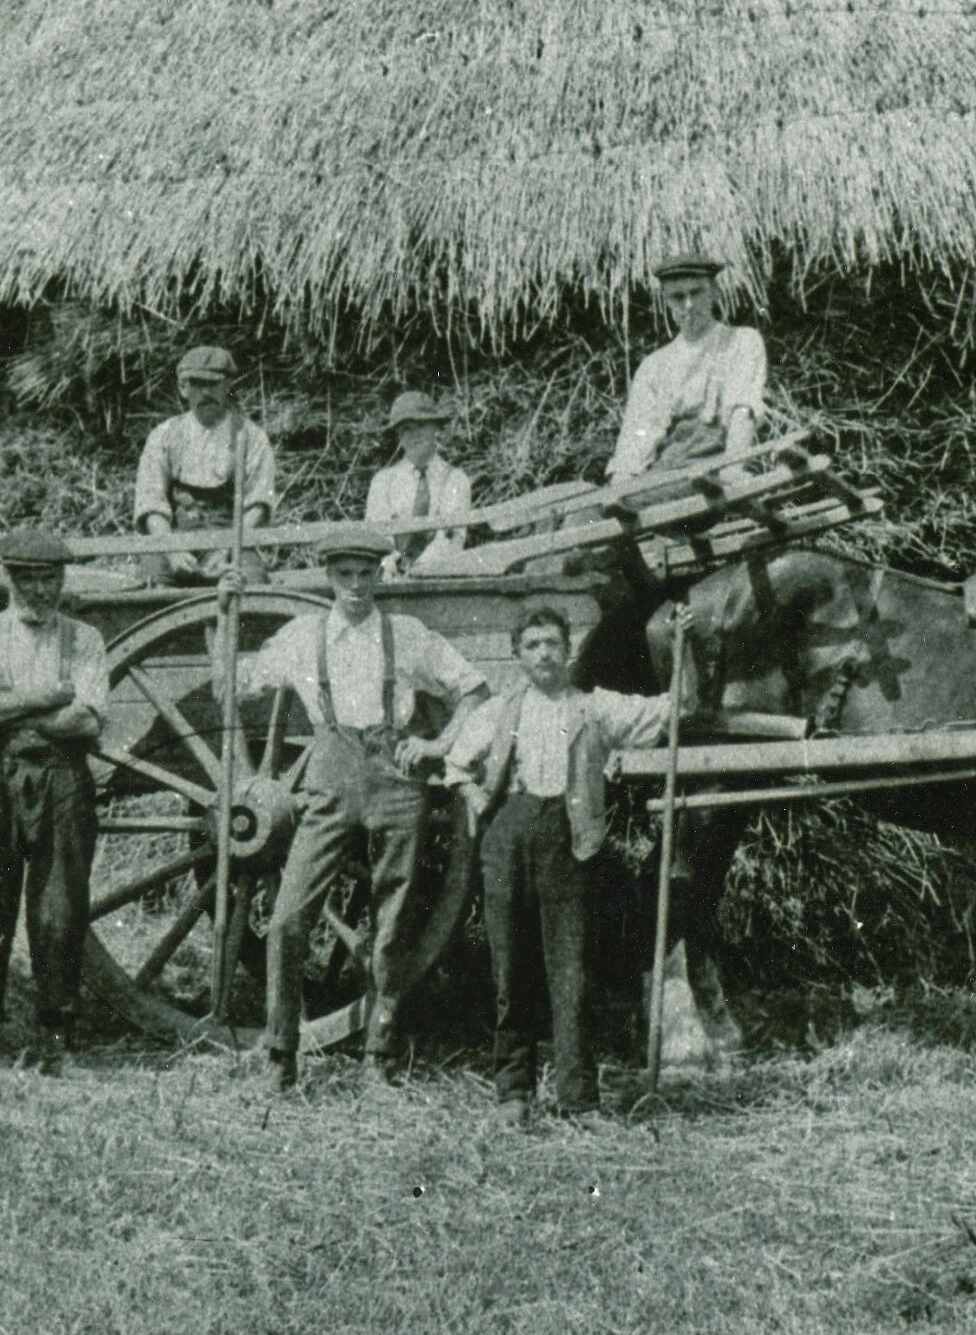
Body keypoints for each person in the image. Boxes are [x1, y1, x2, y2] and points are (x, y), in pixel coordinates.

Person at [223, 527, 488, 1090]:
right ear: (329, 577)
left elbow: (473, 689)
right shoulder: (302, 636)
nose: (356, 586)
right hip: (329, 780)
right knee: (288, 918)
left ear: (379, 575)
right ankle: (279, 1053)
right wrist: (228, 611)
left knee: (393, 923)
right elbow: (236, 687)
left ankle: (379, 1054)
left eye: (366, 574)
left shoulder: (407, 635)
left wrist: (440, 745)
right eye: (345, 575)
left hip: (397, 783)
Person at [441, 604, 683, 1115]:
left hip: (571, 844)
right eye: (532, 646)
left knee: (571, 977)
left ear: (568, 651)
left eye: (552, 643)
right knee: (510, 972)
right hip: (508, 840)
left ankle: (577, 1100)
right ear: (517, 655)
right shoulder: (501, 711)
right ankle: (514, 1092)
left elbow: (669, 711)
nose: (544, 654)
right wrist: (477, 799)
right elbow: (456, 765)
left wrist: (683, 647)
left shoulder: (594, 707)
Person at [0, 528, 109, 1074]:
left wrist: (9, 708)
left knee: (60, 911)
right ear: (9, 580)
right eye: (31, 580)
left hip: (62, 781)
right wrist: (47, 698)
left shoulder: (85, 641)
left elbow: (87, 718)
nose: (42, 590)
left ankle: (57, 1037)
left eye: (51, 579)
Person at [606, 253, 766, 482]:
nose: (688, 305)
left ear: (715, 292)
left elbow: (744, 410)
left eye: (696, 293)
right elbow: (637, 437)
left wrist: (733, 467)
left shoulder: (741, 341)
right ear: (666, 301)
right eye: (678, 297)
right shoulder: (654, 366)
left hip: (715, 467)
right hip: (667, 472)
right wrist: (619, 487)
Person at [133, 344, 276, 584]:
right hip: (177, 543)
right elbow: (151, 504)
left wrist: (227, 550)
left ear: (228, 385)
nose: (205, 393)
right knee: (152, 581)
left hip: (232, 543)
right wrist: (173, 551)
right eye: (196, 384)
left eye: (213, 384)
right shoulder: (164, 436)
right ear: (183, 387)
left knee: (252, 582)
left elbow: (258, 506)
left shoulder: (250, 436)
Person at [364, 390, 473, 576]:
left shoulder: (456, 480)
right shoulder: (383, 482)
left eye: (421, 426)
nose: (414, 435)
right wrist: (391, 563)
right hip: (391, 579)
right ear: (399, 436)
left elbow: (451, 539)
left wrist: (418, 571)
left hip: (437, 576)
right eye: (406, 430)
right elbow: (377, 536)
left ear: (435, 428)